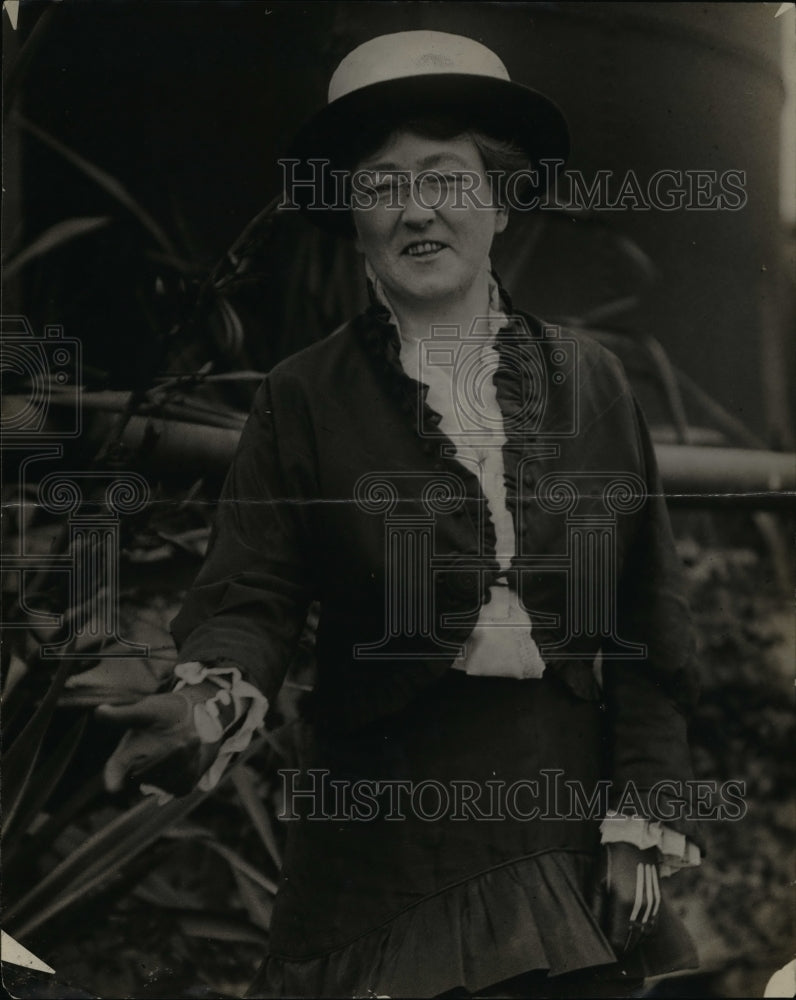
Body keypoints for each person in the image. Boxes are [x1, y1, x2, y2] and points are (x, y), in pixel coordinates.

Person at [99, 31, 703, 999]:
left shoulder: (593, 381)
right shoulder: (302, 397)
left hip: (558, 810)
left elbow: (646, 619)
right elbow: (252, 590)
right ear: (352, 215)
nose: (416, 209)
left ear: (498, 202)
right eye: (381, 185)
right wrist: (205, 699)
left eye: (445, 180)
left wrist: (639, 816)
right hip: (374, 829)